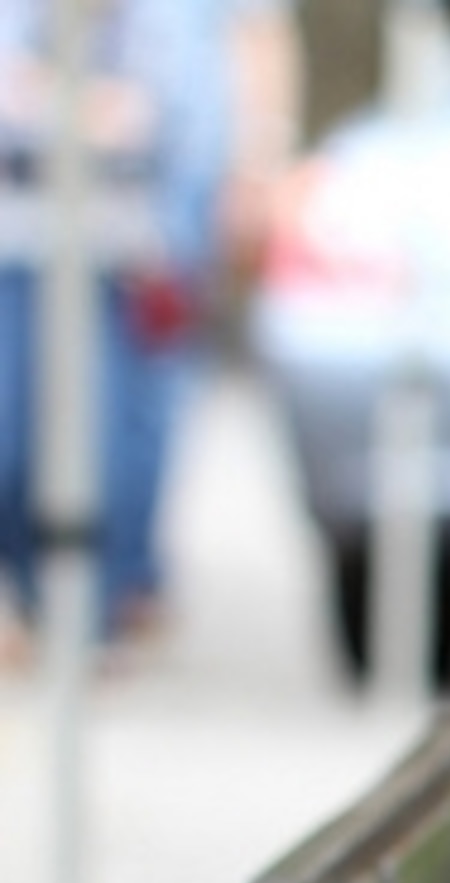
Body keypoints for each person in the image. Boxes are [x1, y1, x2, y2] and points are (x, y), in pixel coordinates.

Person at [0, 0, 290, 656]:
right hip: (18, 219)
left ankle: (106, 601)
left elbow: (251, 37)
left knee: (122, 431)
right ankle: (35, 593)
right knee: (12, 435)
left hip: (142, 225)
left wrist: (253, 167)